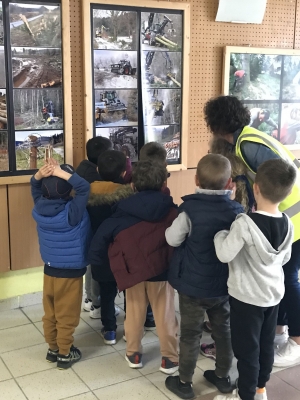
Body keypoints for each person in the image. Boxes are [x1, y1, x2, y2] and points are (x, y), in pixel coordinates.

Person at [204, 95, 300, 367]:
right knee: (284, 276)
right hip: (288, 214)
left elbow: (278, 179)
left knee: (290, 279)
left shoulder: (246, 144)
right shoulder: (252, 136)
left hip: (292, 214)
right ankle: (280, 331)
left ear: (216, 125)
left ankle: (296, 340)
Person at [213, 159, 296, 400]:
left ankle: (245, 395)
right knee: (266, 345)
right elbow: (284, 258)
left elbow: (224, 253)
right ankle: (260, 389)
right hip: (272, 296)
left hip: (246, 298)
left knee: (247, 350)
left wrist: (221, 234)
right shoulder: (289, 224)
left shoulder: (245, 224)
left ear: (255, 188)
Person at [165, 154, 244, 399]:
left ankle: (185, 382)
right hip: (223, 285)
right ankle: (222, 376)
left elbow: (172, 239)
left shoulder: (189, 210)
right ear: (230, 183)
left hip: (192, 286)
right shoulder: (237, 212)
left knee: (190, 334)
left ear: (196, 179)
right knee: (224, 331)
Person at [89, 160, 179, 373]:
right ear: (163, 184)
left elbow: (99, 242)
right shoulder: (173, 210)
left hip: (133, 272)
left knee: (134, 313)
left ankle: (133, 354)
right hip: (162, 271)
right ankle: (169, 359)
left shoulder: (121, 211)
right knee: (165, 314)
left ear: (133, 185)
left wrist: (102, 265)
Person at [31, 160, 91, 369]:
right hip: (71, 271)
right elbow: (84, 187)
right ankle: (65, 353)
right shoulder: (72, 211)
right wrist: (61, 173)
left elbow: (35, 187)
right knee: (67, 313)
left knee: (51, 311)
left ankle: (53, 348)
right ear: (68, 190)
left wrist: (40, 175)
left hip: (50, 268)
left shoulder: (39, 207)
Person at [87, 150, 133, 345]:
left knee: (106, 293)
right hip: (125, 253)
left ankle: (110, 331)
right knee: (131, 293)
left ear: (97, 169)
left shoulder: (86, 193)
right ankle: (132, 329)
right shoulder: (130, 195)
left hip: (100, 252)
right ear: (124, 172)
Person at [76, 136, 113, 316]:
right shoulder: (98, 179)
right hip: (98, 227)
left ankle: (89, 298)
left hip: (86, 227)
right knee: (98, 266)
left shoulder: (81, 169)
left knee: (91, 264)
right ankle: (96, 304)